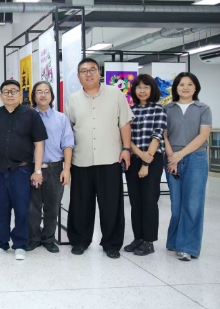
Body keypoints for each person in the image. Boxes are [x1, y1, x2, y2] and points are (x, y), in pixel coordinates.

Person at [64, 58, 134, 259]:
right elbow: (68, 131)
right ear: (78, 76)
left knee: (111, 205)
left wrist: (126, 148)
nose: (88, 74)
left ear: (99, 72)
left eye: (92, 69)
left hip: (110, 158)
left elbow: (124, 123)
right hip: (81, 159)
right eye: (83, 71)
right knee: (80, 205)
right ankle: (79, 241)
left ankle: (111, 244)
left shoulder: (115, 94)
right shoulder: (73, 99)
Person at [0, 80, 47, 260]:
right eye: (6, 91)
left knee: (22, 209)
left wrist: (37, 170)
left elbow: (39, 143)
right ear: (0, 96)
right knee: (0, 209)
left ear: (20, 94)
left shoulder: (31, 115)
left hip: (22, 171)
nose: (10, 94)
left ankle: (20, 245)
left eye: (14, 91)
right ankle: (1, 243)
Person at [164, 72, 211, 262]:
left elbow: (203, 135)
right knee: (176, 205)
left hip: (196, 158)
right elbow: (163, 135)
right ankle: (174, 241)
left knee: (192, 204)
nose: (185, 87)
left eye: (190, 84)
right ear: (175, 87)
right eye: (181, 84)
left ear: (196, 87)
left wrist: (179, 155)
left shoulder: (203, 108)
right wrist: (172, 158)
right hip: (172, 158)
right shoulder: (167, 108)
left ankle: (187, 247)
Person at [26, 81, 74, 254]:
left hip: (55, 168)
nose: (43, 95)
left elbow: (68, 144)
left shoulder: (61, 118)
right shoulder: (27, 116)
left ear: (52, 96)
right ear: (34, 96)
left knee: (52, 206)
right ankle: (33, 238)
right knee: (32, 206)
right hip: (32, 169)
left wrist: (66, 169)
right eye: (39, 91)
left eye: (46, 91)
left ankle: (48, 238)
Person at [124, 74, 167, 256]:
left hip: (152, 159)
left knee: (149, 200)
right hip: (133, 158)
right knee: (135, 201)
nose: (142, 90)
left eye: (146, 87)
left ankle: (148, 241)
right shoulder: (130, 110)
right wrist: (139, 154)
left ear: (152, 89)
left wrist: (145, 161)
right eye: (139, 87)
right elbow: (126, 137)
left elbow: (157, 136)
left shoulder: (159, 109)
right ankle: (138, 238)